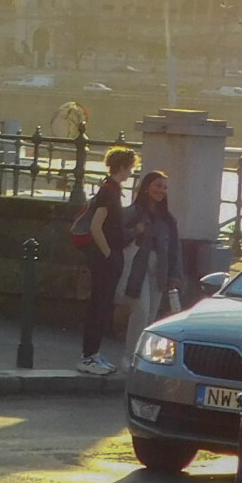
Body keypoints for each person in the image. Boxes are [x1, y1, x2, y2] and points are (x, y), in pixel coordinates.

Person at [77, 144, 137, 375]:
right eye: (130, 168)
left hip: (105, 258)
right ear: (122, 167)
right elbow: (96, 227)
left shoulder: (110, 190)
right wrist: (109, 255)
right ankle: (88, 356)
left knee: (101, 307)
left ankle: (93, 354)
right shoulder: (108, 193)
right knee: (98, 307)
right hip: (104, 260)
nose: (131, 172)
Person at [123, 169, 187, 365]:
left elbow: (175, 249)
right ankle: (130, 357)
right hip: (137, 268)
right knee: (140, 311)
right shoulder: (133, 212)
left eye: (164, 187)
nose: (161, 190)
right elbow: (117, 236)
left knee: (151, 315)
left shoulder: (168, 219)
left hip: (160, 269)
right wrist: (135, 230)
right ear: (147, 187)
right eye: (157, 185)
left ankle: (143, 357)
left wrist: (174, 276)